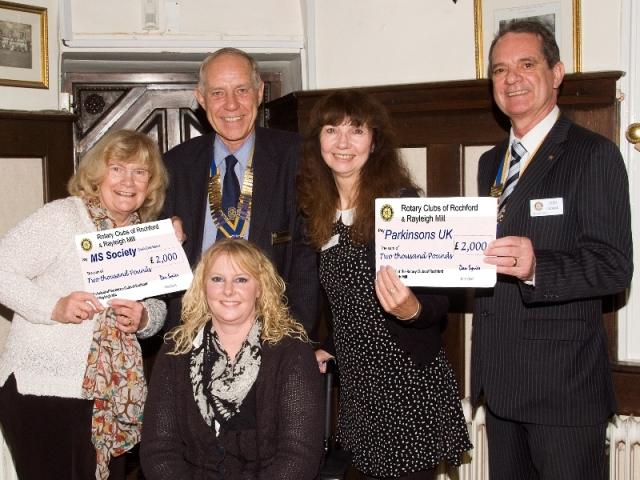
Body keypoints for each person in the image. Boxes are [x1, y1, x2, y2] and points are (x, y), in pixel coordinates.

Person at [473, 20, 633, 479]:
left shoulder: (593, 155)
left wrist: (536, 266)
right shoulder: (491, 162)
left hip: (563, 389)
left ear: (557, 72)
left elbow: (613, 267)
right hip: (500, 385)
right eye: (500, 70)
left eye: (526, 64)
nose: (511, 79)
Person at [298, 90, 472, 480]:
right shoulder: (316, 210)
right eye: (332, 130)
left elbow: (439, 298)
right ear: (319, 142)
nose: (343, 143)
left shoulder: (400, 204)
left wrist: (414, 309)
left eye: (356, 131)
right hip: (359, 385)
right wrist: (328, 346)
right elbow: (347, 301)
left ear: (373, 142)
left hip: (406, 381)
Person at [0, 129, 170, 480]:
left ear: (151, 183)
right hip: (46, 392)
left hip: (111, 398)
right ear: (97, 173)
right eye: (117, 168)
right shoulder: (64, 218)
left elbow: (158, 305)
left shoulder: (144, 234)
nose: (128, 181)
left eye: (140, 172)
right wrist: (54, 306)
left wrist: (143, 319)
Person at [162, 47, 319, 336]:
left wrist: (295, 339)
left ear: (260, 92)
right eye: (218, 93)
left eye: (242, 90)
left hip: (273, 333)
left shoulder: (297, 157)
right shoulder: (174, 165)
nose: (231, 105)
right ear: (201, 98)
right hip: (192, 334)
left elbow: (307, 256)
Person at [140, 238, 324, 479]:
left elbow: (298, 457)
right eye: (217, 279)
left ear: (259, 287)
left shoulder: (291, 352)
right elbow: (159, 450)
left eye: (241, 279)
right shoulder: (177, 349)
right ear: (203, 286)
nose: (228, 290)